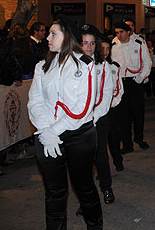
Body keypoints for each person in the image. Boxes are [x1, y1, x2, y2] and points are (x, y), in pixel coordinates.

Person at [27, 17, 103, 229]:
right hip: (47, 135)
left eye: (53, 34)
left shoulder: (86, 65)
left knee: (84, 186)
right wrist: (45, 130)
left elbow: (84, 107)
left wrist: (55, 130)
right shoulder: (42, 66)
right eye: (49, 33)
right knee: (54, 193)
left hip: (79, 135)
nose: (48, 38)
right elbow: (35, 100)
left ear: (67, 36)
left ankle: (95, 226)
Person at [81, 24, 116, 205]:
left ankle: (106, 187)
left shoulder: (102, 66)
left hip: (99, 117)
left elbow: (106, 93)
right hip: (78, 120)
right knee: (81, 161)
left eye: (92, 43)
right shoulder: (73, 65)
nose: (89, 47)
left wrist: (95, 116)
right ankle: (86, 200)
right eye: (85, 43)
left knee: (100, 155)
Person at [112, 21, 151, 153]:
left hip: (135, 82)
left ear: (128, 32)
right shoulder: (113, 44)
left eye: (121, 32)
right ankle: (127, 143)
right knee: (123, 116)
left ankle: (139, 138)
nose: (119, 35)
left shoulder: (139, 43)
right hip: (120, 83)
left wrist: (140, 78)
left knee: (138, 113)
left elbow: (147, 62)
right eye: (117, 32)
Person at [99, 39, 125, 172]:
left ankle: (118, 161)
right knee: (100, 143)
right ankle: (102, 169)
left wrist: (111, 104)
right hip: (97, 111)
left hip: (112, 107)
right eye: (102, 48)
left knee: (114, 137)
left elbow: (120, 89)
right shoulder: (93, 66)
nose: (105, 51)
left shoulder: (114, 66)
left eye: (108, 48)